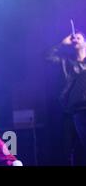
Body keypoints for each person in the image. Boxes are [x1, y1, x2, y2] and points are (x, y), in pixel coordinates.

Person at [47, 31, 86, 164]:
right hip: (70, 110)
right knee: (68, 150)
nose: (76, 40)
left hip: (85, 110)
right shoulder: (66, 61)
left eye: (79, 38)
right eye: (74, 38)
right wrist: (62, 43)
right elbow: (47, 56)